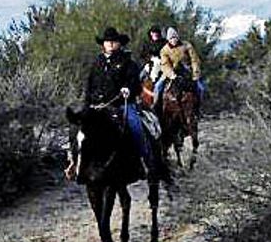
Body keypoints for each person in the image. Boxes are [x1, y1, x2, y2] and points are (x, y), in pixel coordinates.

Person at [84, 27, 150, 166]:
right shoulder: (97, 63)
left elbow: (136, 84)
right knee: (79, 128)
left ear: (119, 43)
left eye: (114, 41)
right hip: (98, 105)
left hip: (122, 104)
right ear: (103, 44)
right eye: (108, 41)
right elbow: (89, 85)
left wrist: (129, 89)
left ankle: (144, 160)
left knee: (135, 126)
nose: (111, 44)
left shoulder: (128, 62)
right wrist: (88, 103)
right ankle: (76, 162)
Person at [154, 27, 206, 114]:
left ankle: (197, 109)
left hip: (187, 72)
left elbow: (194, 60)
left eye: (175, 37)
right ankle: (157, 108)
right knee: (158, 87)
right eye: (171, 38)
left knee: (201, 88)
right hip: (171, 73)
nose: (173, 40)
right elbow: (165, 64)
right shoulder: (164, 50)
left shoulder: (187, 45)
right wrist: (172, 75)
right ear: (168, 39)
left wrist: (195, 74)